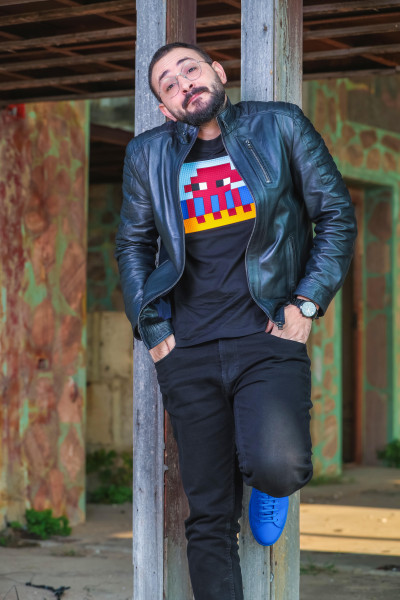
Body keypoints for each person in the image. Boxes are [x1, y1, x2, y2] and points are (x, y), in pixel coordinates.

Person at [115, 42, 357, 600]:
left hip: (267, 332)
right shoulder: (146, 155)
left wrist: (306, 304)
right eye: (169, 84)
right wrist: (153, 329)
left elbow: (335, 215)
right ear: (165, 108)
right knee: (208, 515)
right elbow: (133, 245)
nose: (184, 83)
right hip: (187, 349)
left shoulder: (279, 125)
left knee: (278, 466)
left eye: (190, 69)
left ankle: (266, 482)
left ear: (218, 72)